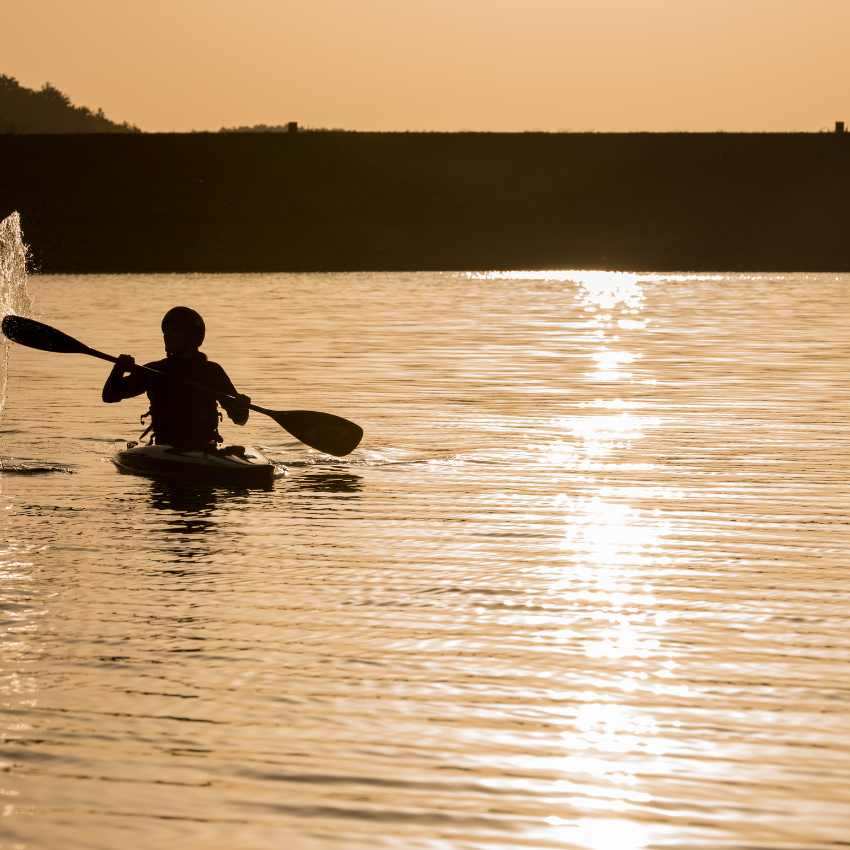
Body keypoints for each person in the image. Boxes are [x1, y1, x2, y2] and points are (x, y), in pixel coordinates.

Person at [102, 306, 251, 449]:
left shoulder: (211, 371)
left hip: (205, 449)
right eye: (166, 329)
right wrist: (118, 369)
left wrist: (241, 406)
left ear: (192, 337)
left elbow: (240, 419)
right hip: (164, 450)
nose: (167, 334)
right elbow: (109, 395)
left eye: (175, 329)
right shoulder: (154, 371)